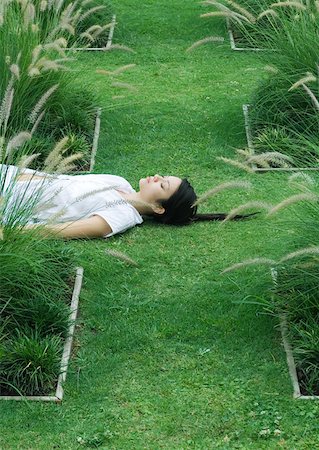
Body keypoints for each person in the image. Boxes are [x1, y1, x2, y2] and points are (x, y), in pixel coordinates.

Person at [0, 165, 255, 239]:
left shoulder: (121, 218)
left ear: (158, 207)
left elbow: (60, 230)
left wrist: (8, 231)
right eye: (163, 176)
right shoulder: (118, 181)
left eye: (162, 184)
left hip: (9, 208)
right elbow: (58, 178)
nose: (156, 176)